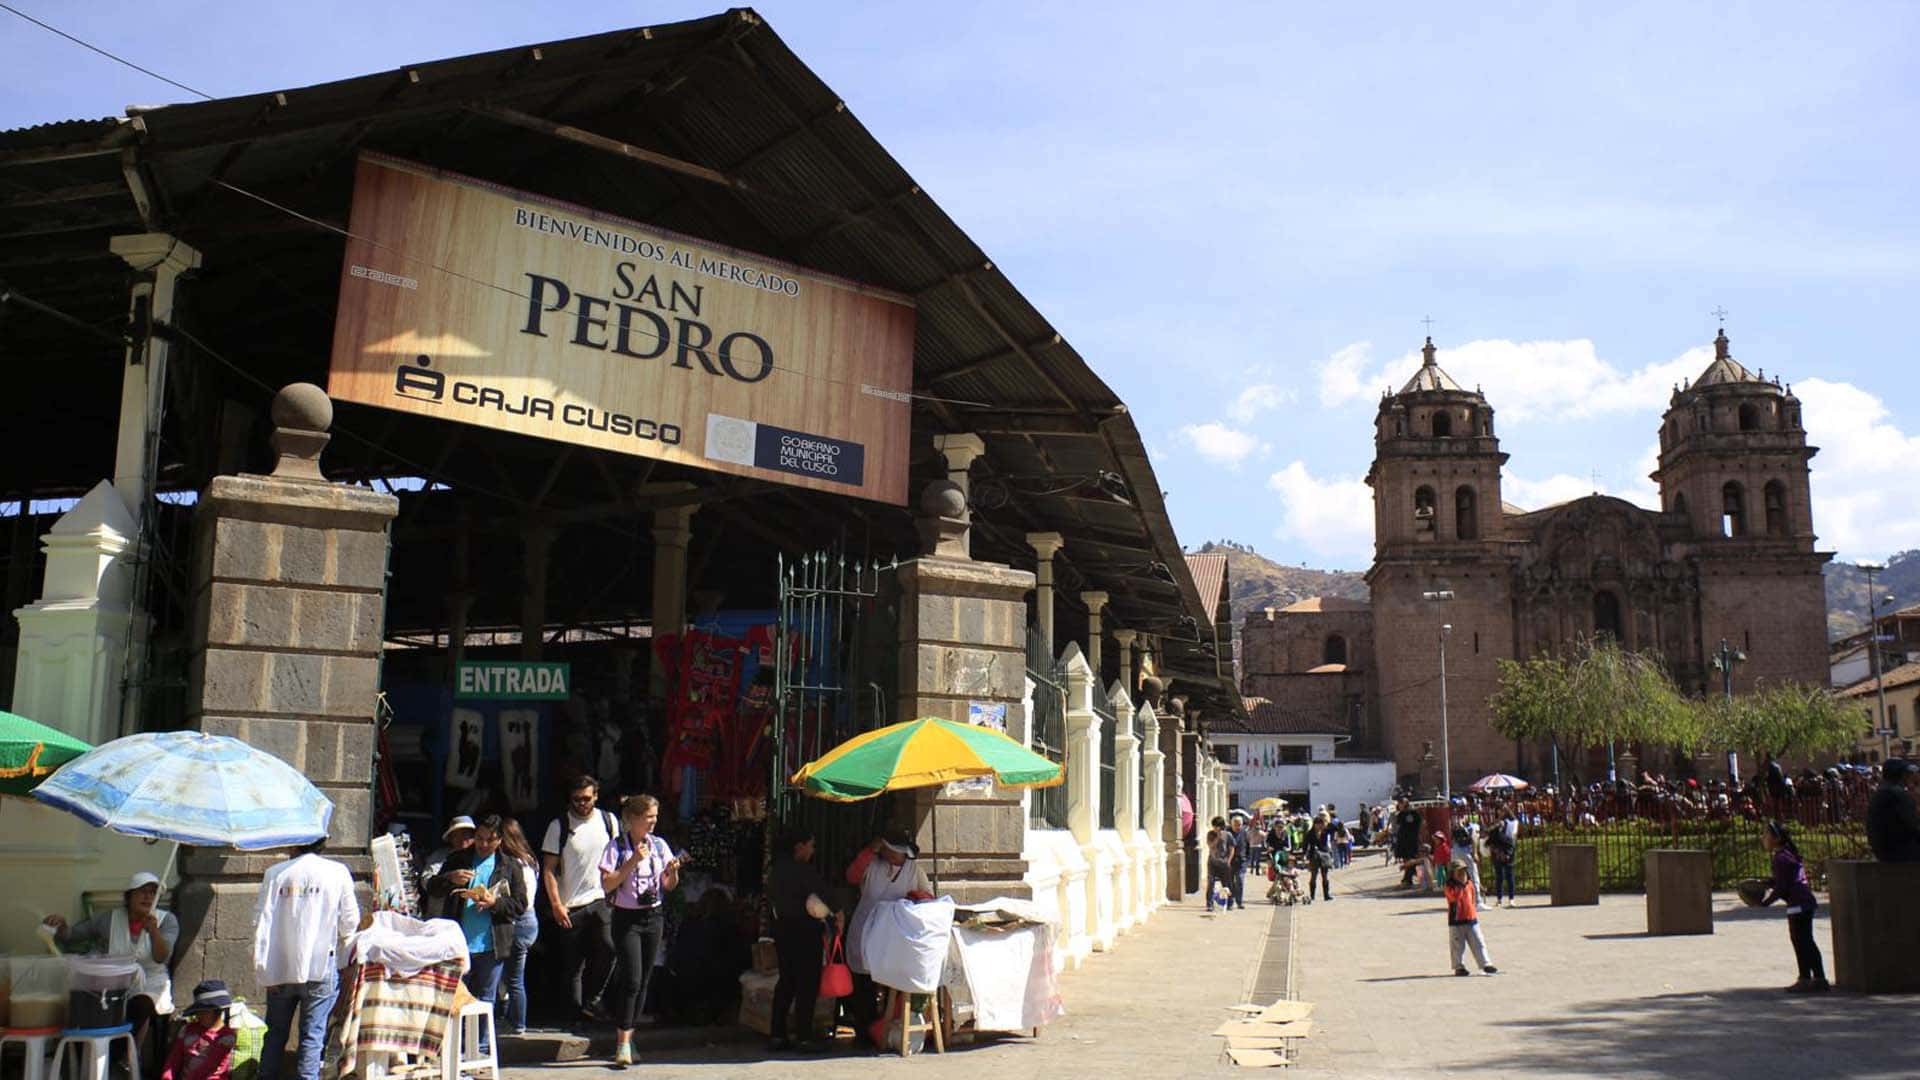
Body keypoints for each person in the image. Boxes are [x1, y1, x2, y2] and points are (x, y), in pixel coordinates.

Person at [254, 838, 360, 1080]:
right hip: (320, 965)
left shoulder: (275, 873)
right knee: (312, 1036)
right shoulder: (337, 872)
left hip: (279, 967)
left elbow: (259, 920)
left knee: (275, 1034)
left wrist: (263, 969)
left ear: (293, 845)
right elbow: (350, 923)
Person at [45, 870, 177, 1053]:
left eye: (153, 893)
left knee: (142, 1003)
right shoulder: (108, 919)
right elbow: (73, 935)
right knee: (86, 1002)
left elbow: (162, 957)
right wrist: (61, 926)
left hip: (151, 982)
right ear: (129, 896)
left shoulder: (167, 920)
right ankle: (91, 1053)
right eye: (142, 891)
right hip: (115, 982)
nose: (148, 897)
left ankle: (124, 1055)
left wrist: (154, 931)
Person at [599, 794, 682, 1068]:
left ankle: (630, 1035)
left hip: (653, 916)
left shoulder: (659, 846)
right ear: (632, 819)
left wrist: (673, 872)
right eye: (648, 818)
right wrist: (633, 860)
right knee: (631, 979)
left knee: (645, 979)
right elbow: (609, 884)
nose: (653, 823)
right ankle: (622, 1041)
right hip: (626, 918)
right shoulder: (616, 847)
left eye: (655, 817)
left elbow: (668, 885)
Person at [428, 814, 529, 1019]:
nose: (483, 844)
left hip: (491, 945)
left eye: (490, 840)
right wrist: (449, 878)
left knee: (485, 1000)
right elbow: (433, 888)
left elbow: (520, 904)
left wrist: (495, 903)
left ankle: (480, 1047)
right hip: (458, 943)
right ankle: (458, 1045)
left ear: (500, 840)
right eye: (480, 838)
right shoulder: (458, 859)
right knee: (454, 1000)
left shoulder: (510, 866)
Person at [541, 775, 619, 1025]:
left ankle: (594, 1001)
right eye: (577, 800)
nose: (582, 804)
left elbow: (618, 858)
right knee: (573, 965)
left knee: (609, 948)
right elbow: (549, 869)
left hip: (601, 898)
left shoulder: (608, 821)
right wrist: (556, 904)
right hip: (571, 903)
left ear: (596, 796)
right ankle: (574, 1016)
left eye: (587, 799)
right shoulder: (559, 826)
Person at [844, 827, 932, 1043]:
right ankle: (865, 1032)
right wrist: (868, 852)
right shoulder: (872, 865)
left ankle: (887, 1029)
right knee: (864, 983)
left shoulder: (914, 871)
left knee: (894, 983)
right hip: (866, 930)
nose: (892, 855)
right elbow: (852, 877)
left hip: (896, 936)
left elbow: (928, 897)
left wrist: (915, 900)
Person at [766, 825, 841, 1053]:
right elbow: (825, 893)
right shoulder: (802, 871)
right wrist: (838, 913)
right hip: (805, 931)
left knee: (786, 981)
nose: (813, 850)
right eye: (811, 845)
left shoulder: (775, 870)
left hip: (782, 929)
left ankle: (777, 1034)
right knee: (807, 984)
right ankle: (804, 1037)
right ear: (799, 847)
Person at [1760, 821, 1828, 992]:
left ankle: (1805, 978)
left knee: (1800, 941)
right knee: (1807, 941)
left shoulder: (1780, 858)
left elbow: (1783, 886)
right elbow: (1786, 879)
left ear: (1776, 838)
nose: (1763, 838)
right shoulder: (1787, 854)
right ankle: (1819, 978)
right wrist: (1769, 882)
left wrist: (1765, 902)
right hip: (1804, 902)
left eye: (1766, 834)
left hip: (1797, 903)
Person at [495, 818, 541, 1036]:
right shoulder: (530, 861)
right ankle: (510, 1019)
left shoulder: (512, 864)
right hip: (530, 920)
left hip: (518, 920)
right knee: (510, 976)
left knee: (512, 977)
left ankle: (517, 1023)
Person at [161, 980, 236, 1080]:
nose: (198, 1015)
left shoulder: (227, 1037)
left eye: (203, 1011)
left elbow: (213, 1068)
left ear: (217, 1011)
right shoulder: (187, 1030)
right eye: (198, 1011)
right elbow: (174, 1059)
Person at [1444, 860, 1497, 976]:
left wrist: (1473, 911)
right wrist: (1460, 885)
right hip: (1456, 921)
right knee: (1457, 946)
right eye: (1458, 872)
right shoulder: (1450, 887)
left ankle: (1486, 964)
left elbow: (1472, 899)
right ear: (1452, 874)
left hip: (1471, 918)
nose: (1462, 874)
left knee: (1478, 942)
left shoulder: (1470, 884)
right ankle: (1459, 966)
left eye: (1463, 871)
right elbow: (1454, 898)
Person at [1866, 758, 1920, 862]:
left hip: (1882, 852)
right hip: (1901, 852)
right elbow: (1914, 826)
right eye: (1907, 774)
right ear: (1901, 775)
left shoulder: (1878, 793)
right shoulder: (1898, 795)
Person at [419, 816, 475, 894]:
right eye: (456, 835)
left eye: (465, 834)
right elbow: (426, 881)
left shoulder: (480, 856)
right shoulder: (440, 855)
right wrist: (448, 878)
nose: (462, 839)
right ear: (450, 838)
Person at [1486, 808, 1519, 907]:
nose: (1500, 813)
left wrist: (1507, 854)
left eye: (1503, 811)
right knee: (1499, 876)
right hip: (1498, 852)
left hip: (1508, 851)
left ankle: (1511, 899)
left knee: (1509, 876)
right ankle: (1499, 899)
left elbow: (1512, 840)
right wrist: (1496, 851)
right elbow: (1489, 841)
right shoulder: (1495, 825)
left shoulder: (1512, 824)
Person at [1205, 817, 1234, 912]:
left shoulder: (1228, 835)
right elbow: (1211, 846)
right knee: (1211, 883)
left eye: (1218, 827)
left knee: (1226, 884)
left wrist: (1229, 860)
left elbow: (1231, 848)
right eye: (1214, 826)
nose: (1216, 828)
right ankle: (1209, 904)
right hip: (1212, 863)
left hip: (1224, 863)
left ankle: (1229, 903)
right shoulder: (1210, 834)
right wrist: (1217, 837)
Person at [1392, 798, 1423, 887]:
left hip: (1410, 840)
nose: (1399, 805)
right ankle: (1408, 878)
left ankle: (1407, 879)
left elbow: (1417, 824)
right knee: (1407, 859)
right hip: (1404, 840)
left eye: (1400, 803)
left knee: (1411, 859)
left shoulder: (1412, 813)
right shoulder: (1402, 814)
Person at [1304, 814, 1334, 902]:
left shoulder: (1325, 831)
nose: (1320, 826)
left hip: (1324, 854)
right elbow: (1305, 845)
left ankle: (1326, 895)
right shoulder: (1310, 833)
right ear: (1314, 824)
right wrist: (1304, 855)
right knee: (1313, 875)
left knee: (1325, 876)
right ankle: (1312, 895)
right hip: (1314, 855)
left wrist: (1327, 821)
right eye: (1318, 824)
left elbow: (1335, 828)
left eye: (1321, 824)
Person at [1227, 816, 1252, 910]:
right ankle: (1230, 902)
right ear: (1231, 824)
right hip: (1230, 861)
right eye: (1236, 825)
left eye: (1240, 825)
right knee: (1230, 883)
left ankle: (1239, 902)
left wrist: (1247, 859)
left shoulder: (1244, 832)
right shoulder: (1227, 833)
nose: (1238, 827)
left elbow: (1248, 846)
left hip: (1241, 861)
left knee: (1240, 881)